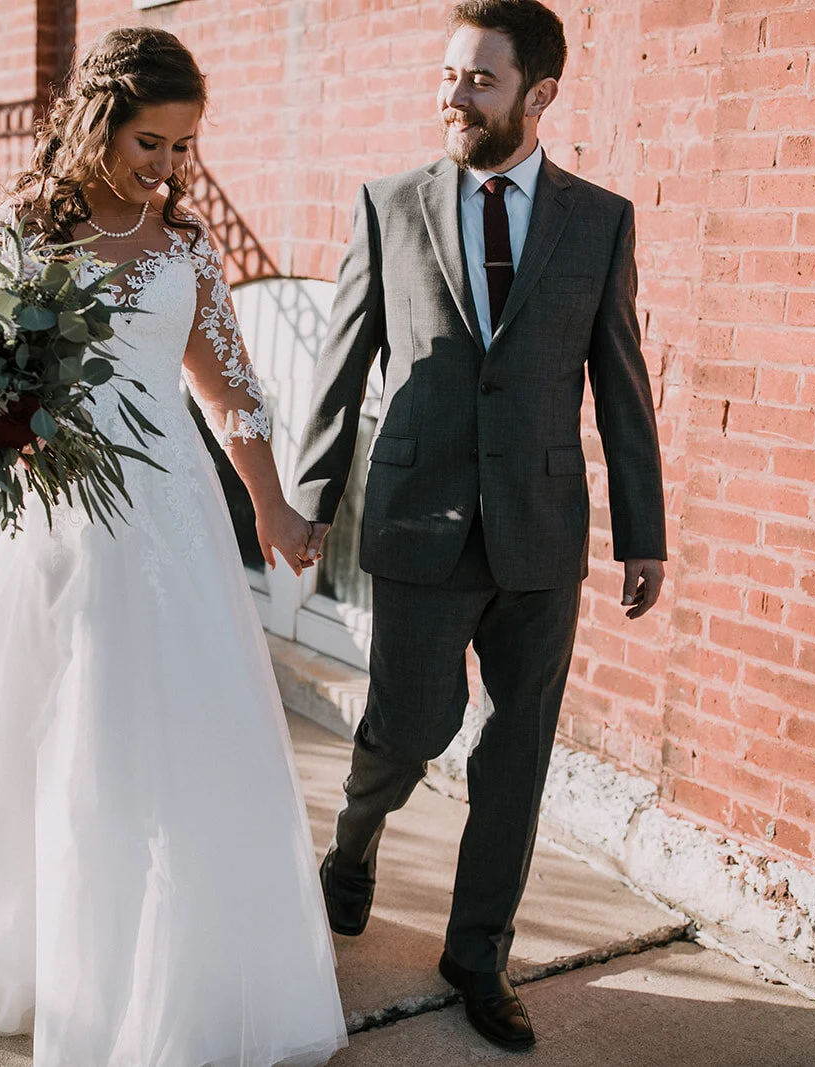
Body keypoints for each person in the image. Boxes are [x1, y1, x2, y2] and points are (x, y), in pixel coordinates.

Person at [0, 27, 348, 1067]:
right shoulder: (11, 230)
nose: (168, 167)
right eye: (151, 143)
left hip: (164, 509)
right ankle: (31, 943)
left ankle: (157, 957)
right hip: (40, 511)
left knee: (156, 723)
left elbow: (229, 390)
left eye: (184, 147)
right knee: (27, 718)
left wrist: (272, 506)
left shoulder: (187, 249)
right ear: (98, 121)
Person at [295, 0, 667, 1051]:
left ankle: (478, 950)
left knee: (516, 755)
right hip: (420, 520)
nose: (451, 94)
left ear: (539, 96)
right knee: (407, 729)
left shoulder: (598, 220)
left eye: (479, 80)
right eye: (448, 73)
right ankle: (354, 841)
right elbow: (340, 361)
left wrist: (644, 528)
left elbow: (621, 383)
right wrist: (312, 499)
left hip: (544, 532)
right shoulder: (388, 204)